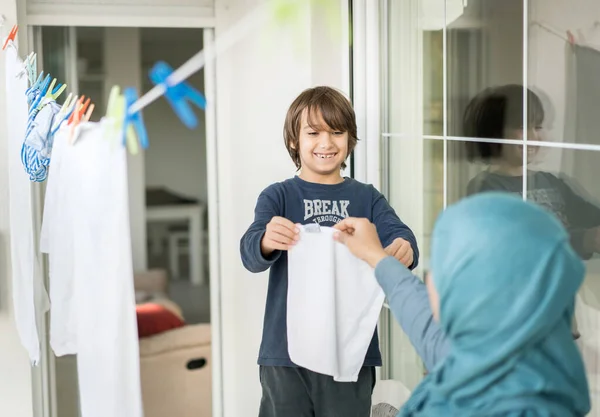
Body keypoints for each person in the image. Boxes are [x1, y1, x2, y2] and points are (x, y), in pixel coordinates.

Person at [240, 86, 419, 416]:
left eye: (337, 132)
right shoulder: (277, 196)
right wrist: (266, 240)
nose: (326, 143)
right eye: (313, 132)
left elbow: (402, 237)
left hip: (350, 351)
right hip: (285, 352)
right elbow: (250, 253)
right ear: (294, 140)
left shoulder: (367, 197)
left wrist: (403, 248)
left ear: (350, 140)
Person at [334, 193, 591, 416]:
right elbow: (420, 314)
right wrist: (375, 256)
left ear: (470, 299)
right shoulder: (519, 358)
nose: (429, 278)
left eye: (442, 268)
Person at [464, 84, 600, 261]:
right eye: (522, 127)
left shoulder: (551, 182)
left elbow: (590, 214)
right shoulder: (485, 188)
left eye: (537, 127)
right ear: (495, 133)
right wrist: (584, 240)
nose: (534, 137)